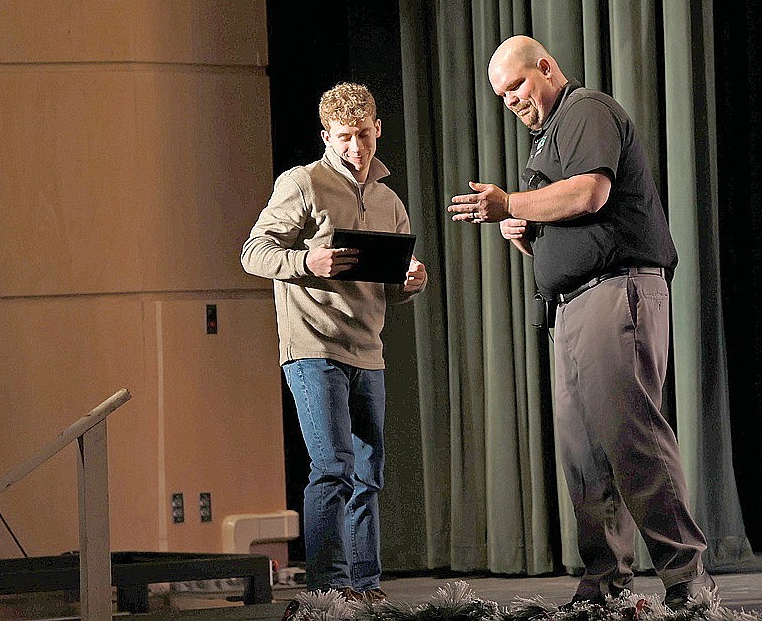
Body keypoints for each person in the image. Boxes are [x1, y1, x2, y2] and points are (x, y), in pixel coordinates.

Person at [448, 36, 716, 610]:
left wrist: (512, 206)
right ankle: (605, 588)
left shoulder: (585, 111)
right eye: (501, 96)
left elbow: (592, 194)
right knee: (584, 458)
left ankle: (687, 582)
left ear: (546, 68)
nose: (511, 101)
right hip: (572, 306)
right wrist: (527, 236)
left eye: (517, 86)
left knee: (633, 439)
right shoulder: (546, 140)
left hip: (616, 294)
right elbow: (571, 227)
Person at [242, 82, 427, 605]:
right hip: (313, 346)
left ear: (378, 129)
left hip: (368, 349)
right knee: (333, 467)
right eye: (345, 137)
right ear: (327, 135)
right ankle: (329, 592)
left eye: (364, 135)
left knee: (369, 472)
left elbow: (391, 289)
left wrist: (410, 283)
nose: (357, 148)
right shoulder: (303, 183)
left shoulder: (390, 201)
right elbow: (252, 252)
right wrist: (308, 261)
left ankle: (365, 588)